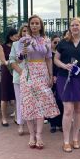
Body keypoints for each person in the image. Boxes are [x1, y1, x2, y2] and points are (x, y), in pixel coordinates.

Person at [18, 15, 60, 150]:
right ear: (29, 26)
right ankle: (31, 135)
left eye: (37, 23)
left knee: (41, 104)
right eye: (32, 23)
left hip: (42, 72)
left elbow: (48, 59)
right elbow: (19, 59)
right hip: (29, 73)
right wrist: (22, 54)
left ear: (41, 26)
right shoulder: (24, 40)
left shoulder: (46, 40)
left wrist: (50, 75)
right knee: (29, 104)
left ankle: (39, 135)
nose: (34, 25)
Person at [54, 17, 80, 153]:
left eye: (77, 25)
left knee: (79, 110)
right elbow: (56, 60)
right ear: (70, 28)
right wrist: (64, 66)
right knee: (68, 110)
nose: (74, 27)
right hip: (65, 79)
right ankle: (66, 141)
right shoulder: (63, 43)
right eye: (72, 25)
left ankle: (75, 138)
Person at [9, 24, 29, 135]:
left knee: (32, 101)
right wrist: (21, 72)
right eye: (24, 31)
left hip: (33, 76)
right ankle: (21, 124)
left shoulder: (35, 43)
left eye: (28, 31)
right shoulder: (16, 44)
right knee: (20, 101)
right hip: (19, 77)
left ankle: (33, 124)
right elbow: (12, 60)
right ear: (20, 33)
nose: (26, 33)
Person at [0, 28, 19, 127]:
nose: (17, 37)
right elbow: (3, 60)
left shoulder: (19, 45)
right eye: (15, 35)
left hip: (17, 72)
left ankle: (16, 117)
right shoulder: (1, 46)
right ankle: (4, 118)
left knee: (16, 96)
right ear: (10, 36)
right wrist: (11, 65)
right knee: (4, 96)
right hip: (7, 72)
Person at [48, 34, 64, 133]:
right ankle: (53, 124)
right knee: (51, 102)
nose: (57, 44)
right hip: (50, 80)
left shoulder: (61, 53)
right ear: (51, 43)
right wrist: (51, 76)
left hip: (61, 79)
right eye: (55, 42)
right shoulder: (49, 53)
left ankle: (61, 124)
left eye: (59, 42)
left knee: (61, 102)